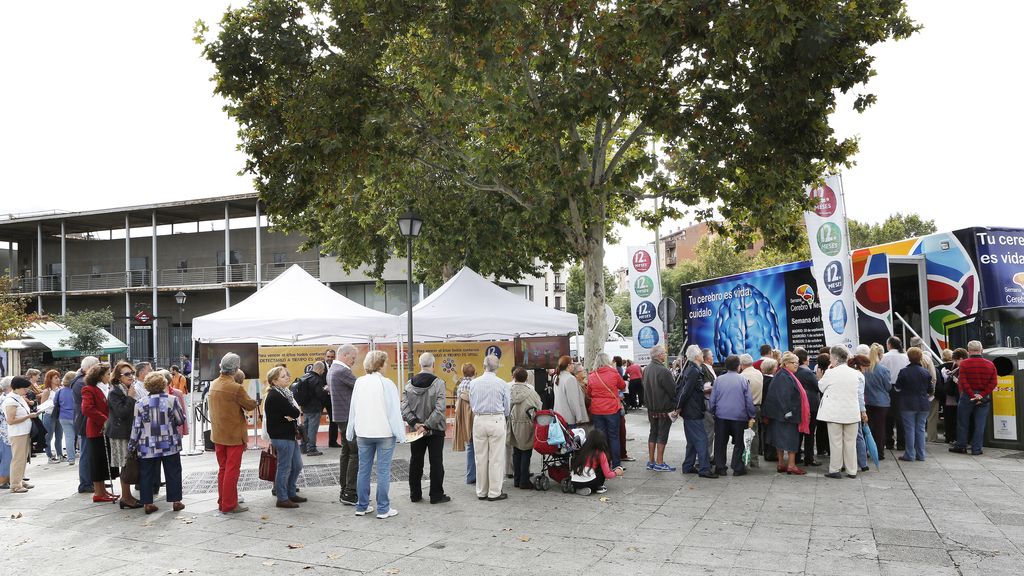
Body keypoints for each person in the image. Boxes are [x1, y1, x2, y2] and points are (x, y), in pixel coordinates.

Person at [347, 350, 406, 518]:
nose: (386, 365)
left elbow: (353, 409)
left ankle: (362, 506)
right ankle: (383, 508)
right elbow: (393, 412)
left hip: (363, 432)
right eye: (385, 362)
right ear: (380, 365)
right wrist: (401, 435)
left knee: (363, 470)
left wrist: (350, 431)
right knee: (383, 471)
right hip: (384, 433)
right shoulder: (387, 383)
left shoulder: (359, 382)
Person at [128, 371, 186, 514]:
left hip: (148, 445)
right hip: (169, 444)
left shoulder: (140, 403)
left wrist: (132, 445)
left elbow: (136, 427)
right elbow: (180, 420)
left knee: (146, 474)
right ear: (164, 384)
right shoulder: (172, 400)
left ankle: (148, 503)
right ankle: (176, 501)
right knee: (173, 472)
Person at [208, 352, 257, 514]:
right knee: (232, 470)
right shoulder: (235, 387)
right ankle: (229, 504)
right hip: (233, 435)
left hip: (218, 434)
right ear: (236, 369)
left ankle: (223, 501)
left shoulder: (214, 383)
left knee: (223, 469)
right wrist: (256, 401)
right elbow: (250, 405)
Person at [401, 352, 450, 503]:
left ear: (420, 364)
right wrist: (427, 425)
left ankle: (415, 495)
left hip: (416, 431)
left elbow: (404, 408)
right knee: (436, 462)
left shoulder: (409, 384)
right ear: (433, 365)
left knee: (415, 461)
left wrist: (416, 424)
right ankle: (436, 495)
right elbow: (440, 409)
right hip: (435, 430)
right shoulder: (439, 383)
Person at [817, 346, 867, 478]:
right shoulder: (856, 374)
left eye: (831, 358)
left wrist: (821, 376)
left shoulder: (830, 373)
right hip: (852, 412)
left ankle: (835, 469)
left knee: (836, 442)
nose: (830, 360)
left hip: (834, 413)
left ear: (835, 358)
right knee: (850, 443)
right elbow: (860, 394)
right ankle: (852, 470)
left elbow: (821, 387)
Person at [470, 354, 512, 501]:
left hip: (479, 419)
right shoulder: (502, 384)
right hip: (496, 419)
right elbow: (507, 407)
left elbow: (472, 403)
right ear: (497, 367)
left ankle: (481, 491)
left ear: (484, 366)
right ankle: (494, 492)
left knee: (480, 457)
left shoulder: (474, 383)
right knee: (496, 458)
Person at [264, 366, 306, 509]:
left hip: (289, 434)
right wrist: (291, 414)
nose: (287, 377)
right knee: (284, 467)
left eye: (287, 374)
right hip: (281, 436)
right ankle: (282, 498)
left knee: (297, 465)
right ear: (274, 381)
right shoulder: (276, 395)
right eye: (283, 376)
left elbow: (294, 412)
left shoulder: (284, 393)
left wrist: (291, 414)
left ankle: (291, 492)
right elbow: (295, 412)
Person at [709, 355, 756, 477]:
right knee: (739, 443)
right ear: (738, 366)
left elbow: (713, 399)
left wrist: (712, 411)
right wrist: (751, 414)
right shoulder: (743, 380)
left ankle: (720, 467)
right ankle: (737, 467)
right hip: (739, 417)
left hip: (721, 416)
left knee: (720, 443)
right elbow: (748, 400)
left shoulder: (719, 380)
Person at [763, 352, 809, 475]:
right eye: (794, 363)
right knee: (791, 440)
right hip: (787, 415)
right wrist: (789, 412)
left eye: (797, 363)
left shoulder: (782, 374)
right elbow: (784, 396)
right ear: (786, 364)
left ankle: (781, 464)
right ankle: (791, 465)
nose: (797, 365)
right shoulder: (785, 376)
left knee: (779, 440)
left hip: (778, 415)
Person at [950, 340, 997, 456]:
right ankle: (976, 449)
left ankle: (961, 446)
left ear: (968, 351)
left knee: (963, 422)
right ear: (981, 350)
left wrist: (972, 395)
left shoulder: (964, 364)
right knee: (980, 424)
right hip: (983, 397)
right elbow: (994, 382)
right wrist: (981, 395)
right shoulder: (990, 364)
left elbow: (963, 381)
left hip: (967, 396)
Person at [326, 344, 359, 504]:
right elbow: (361, 386)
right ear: (345, 355)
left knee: (346, 452)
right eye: (353, 357)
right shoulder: (342, 371)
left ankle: (345, 489)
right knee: (355, 453)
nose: (354, 361)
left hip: (342, 416)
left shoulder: (333, 369)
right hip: (347, 417)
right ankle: (350, 492)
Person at [107, 361, 143, 509]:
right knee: (125, 464)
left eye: (132, 373)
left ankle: (127, 496)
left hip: (130, 432)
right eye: (127, 374)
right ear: (118, 377)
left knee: (129, 464)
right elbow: (120, 412)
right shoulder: (115, 392)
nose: (131, 376)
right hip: (120, 433)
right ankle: (126, 497)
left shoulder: (129, 389)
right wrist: (130, 398)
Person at [677, 345, 716, 478]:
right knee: (702, 439)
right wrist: (678, 407)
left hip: (690, 410)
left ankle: (688, 466)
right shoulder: (694, 371)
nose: (701, 355)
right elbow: (686, 391)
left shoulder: (692, 369)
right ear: (696, 356)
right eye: (700, 353)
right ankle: (704, 469)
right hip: (693, 411)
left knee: (692, 441)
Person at [81, 364, 117, 501]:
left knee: (103, 462)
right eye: (108, 374)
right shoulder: (89, 389)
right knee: (97, 462)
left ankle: (103, 491)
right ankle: (98, 493)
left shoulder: (106, 388)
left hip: (107, 429)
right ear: (100, 376)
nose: (110, 376)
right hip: (96, 429)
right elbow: (87, 409)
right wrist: (104, 420)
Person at [587, 353, 627, 470]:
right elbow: (623, 386)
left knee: (601, 437)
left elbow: (589, 392)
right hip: (612, 409)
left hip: (597, 410)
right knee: (614, 437)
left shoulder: (592, 375)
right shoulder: (613, 373)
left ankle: (603, 464)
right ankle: (616, 464)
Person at [894, 347, 932, 462]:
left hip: (908, 403)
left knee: (909, 429)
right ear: (921, 357)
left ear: (908, 357)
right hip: (923, 404)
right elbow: (930, 390)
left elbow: (897, 387)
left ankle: (910, 454)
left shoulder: (904, 371)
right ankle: (921, 454)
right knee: (920, 429)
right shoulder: (925, 372)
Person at [3, 377, 40, 493]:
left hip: (23, 431)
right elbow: (10, 420)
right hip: (18, 433)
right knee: (18, 459)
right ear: (17, 388)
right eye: (24, 388)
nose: (26, 391)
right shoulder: (10, 401)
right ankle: (15, 485)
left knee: (23, 458)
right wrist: (28, 416)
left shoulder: (18, 397)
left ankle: (20, 480)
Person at [642, 345, 676, 472]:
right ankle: (660, 462)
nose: (665, 355)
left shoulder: (646, 369)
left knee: (653, 433)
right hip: (663, 407)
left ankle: (651, 461)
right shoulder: (663, 371)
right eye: (664, 353)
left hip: (651, 407)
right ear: (659, 355)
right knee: (662, 434)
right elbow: (672, 390)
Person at [507, 367, 542, 490]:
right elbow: (539, 405)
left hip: (514, 423)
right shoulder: (531, 391)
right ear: (526, 378)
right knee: (526, 452)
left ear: (514, 377)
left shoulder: (508, 390)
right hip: (527, 423)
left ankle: (517, 479)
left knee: (516, 451)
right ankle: (524, 480)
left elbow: (506, 407)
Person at [72, 355, 100, 493]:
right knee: (86, 453)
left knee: (91, 453)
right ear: (89, 368)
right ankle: (85, 483)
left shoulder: (82, 381)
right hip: (84, 421)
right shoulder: (81, 382)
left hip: (87, 420)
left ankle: (94, 481)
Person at [792, 348, 822, 467]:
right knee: (809, 432)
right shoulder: (808, 373)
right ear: (805, 359)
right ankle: (809, 458)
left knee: (798, 432)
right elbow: (818, 387)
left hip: (797, 405)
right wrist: (819, 378)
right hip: (811, 406)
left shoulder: (794, 372)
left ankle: (796, 456)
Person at [570, 428, 624, 495]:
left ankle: (578, 488)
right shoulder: (601, 453)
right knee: (600, 470)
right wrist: (616, 473)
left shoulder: (582, 450)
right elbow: (607, 475)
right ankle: (598, 487)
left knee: (588, 470)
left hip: (574, 481)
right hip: (590, 482)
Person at [880, 337, 910, 451]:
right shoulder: (905, 357)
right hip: (902, 388)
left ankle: (889, 442)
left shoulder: (884, 357)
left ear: (889, 345)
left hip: (888, 388)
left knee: (888, 416)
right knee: (901, 416)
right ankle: (902, 443)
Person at [863, 343, 892, 458]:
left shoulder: (864, 369)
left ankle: (866, 450)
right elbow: (888, 387)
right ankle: (879, 452)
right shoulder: (884, 370)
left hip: (867, 401)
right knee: (880, 428)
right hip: (882, 402)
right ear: (881, 355)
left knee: (868, 427)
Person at [908, 337, 939, 443]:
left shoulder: (906, 357)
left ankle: (911, 441)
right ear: (921, 345)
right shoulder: (926, 358)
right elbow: (933, 377)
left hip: (910, 394)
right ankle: (930, 439)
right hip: (925, 393)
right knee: (928, 418)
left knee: (911, 420)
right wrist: (931, 392)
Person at [294, 361, 328, 456]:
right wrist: (325, 390)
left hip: (305, 407)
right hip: (315, 408)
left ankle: (303, 447)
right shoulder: (317, 379)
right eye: (323, 370)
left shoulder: (305, 376)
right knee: (312, 429)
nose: (323, 372)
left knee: (306, 427)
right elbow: (320, 394)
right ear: (320, 369)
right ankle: (312, 448)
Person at [452, 363, 477, 485]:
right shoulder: (474, 384)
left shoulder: (461, 385)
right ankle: (480, 475)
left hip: (464, 419)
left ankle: (470, 475)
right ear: (474, 372)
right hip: (474, 418)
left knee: (470, 447)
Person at [738, 354, 763, 468]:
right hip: (757, 406)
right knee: (754, 434)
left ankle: (745, 460)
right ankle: (754, 460)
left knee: (744, 434)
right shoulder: (759, 373)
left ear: (741, 364)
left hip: (745, 408)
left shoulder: (742, 376)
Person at [942, 348, 969, 443]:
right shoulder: (958, 367)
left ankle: (959, 441)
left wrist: (957, 381)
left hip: (960, 397)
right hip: (959, 396)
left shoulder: (963, 367)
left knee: (958, 420)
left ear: (960, 359)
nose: (955, 362)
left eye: (956, 360)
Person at [552, 355, 587, 427]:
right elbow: (573, 401)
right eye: (572, 363)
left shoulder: (556, 377)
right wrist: (579, 417)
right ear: (568, 365)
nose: (573, 365)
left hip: (558, 415)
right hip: (569, 418)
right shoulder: (570, 379)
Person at [53, 372, 77, 465]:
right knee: (80, 437)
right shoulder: (76, 390)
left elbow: (55, 402)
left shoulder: (60, 391)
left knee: (68, 437)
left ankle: (71, 459)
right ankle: (83, 456)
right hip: (75, 416)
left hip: (63, 417)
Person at [38, 369, 61, 462]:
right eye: (56, 378)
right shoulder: (47, 391)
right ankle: (49, 456)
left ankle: (60, 454)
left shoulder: (60, 389)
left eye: (58, 377)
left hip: (59, 415)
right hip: (49, 414)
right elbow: (42, 405)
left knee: (59, 436)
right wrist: (51, 404)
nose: (58, 379)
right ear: (50, 379)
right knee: (48, 436)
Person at [759, 358, 778, 460]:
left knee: (765, 432)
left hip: (762, 409)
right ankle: (771, 454)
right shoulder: (773, 381)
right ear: (772, 368)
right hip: (771, 410)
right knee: (772, 433)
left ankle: (765, 452)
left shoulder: (761, 379)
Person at [323, 348, 342, 447]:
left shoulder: (337, 367)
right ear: (324, 356)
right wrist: (324, 387)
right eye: (328, 356)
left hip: (332, 398)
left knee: (334, 420)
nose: (330, 358)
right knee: (314, 421)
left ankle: (332, 442)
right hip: (321, 398)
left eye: (332, 357)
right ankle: (310, 445)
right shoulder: (319, 366)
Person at [0, 377, 13, 489]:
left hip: (5, 430)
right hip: (5, 431)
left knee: (6, 456)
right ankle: (3, 480)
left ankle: (6, 479)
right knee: (6, 456)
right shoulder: (5, 399)